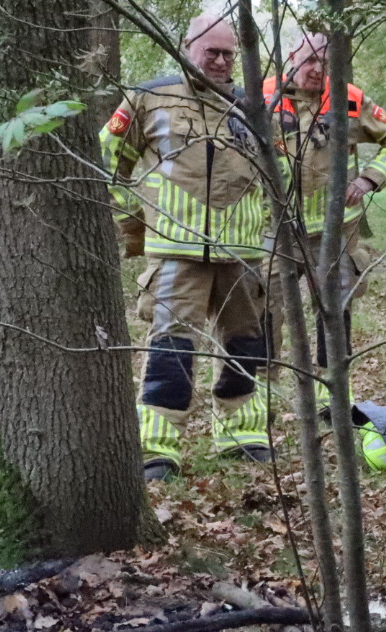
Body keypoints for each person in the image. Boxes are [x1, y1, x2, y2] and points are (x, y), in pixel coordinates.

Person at [100, 12, 271, 482]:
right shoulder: (149, 97)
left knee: (246, 347)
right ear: (185, 46)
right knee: (171, 350)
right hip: (176, 250)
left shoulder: (253, 108)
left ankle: (243, 435)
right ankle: (157, 448)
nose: (219, 60)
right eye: (210, 50)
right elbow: (108, 159)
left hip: (243, 254)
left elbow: (281, 179)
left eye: (227, 53)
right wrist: (132, 222)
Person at [264, 33, 386, 418]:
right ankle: (263, 401)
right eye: (311, 60)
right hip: (274, 229)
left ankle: (334, 400)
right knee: (263, 311)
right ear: (291, 55)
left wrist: (369, 179)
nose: (317, 70)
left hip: (335, 232)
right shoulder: (262, 95)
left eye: (327, 63)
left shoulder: (348, 97)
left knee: (335, 313)